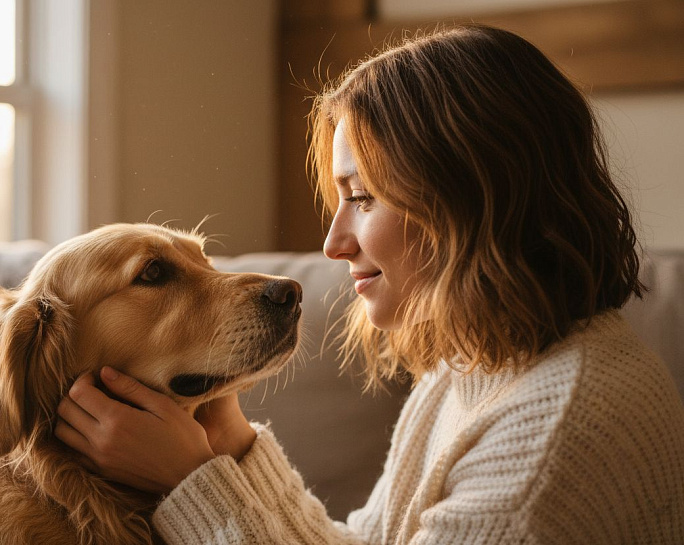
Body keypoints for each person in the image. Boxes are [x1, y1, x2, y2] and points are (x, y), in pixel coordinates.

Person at [55, 24, 684, 543]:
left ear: (466, 201)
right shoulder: (484, 360)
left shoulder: (550, 439)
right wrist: (232, 448)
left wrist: (189, 481)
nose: (334, 243)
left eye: (363, 197)